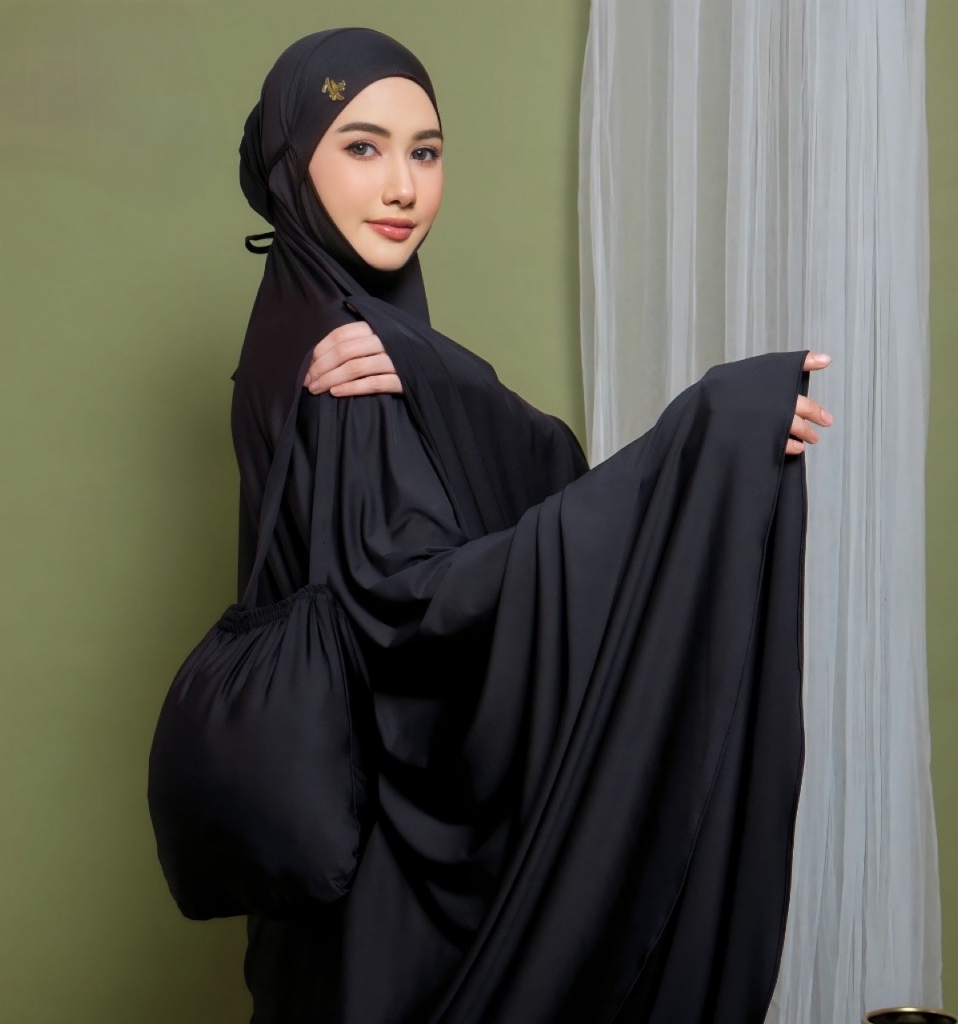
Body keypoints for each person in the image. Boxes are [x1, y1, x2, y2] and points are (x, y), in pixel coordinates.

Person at [226, 27, 830, 1024]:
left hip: (326, 857)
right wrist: (699, 452)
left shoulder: (307, 322)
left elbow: (533, 465)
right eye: (362, 146)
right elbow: (415, 610)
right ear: (294, 161)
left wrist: (440, 375)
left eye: (425, 152)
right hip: (379, 875)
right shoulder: (345, 361)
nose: (403, 187)